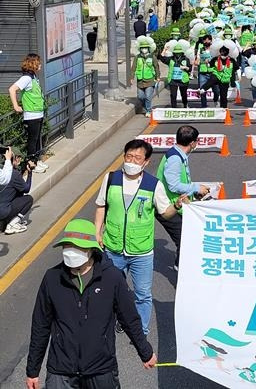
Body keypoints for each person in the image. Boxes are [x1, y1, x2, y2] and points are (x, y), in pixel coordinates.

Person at [25, 218, 157, 389]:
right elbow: (40, 326)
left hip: (101, 370)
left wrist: (145, 352)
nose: (70, 251)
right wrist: (32, 370)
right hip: (61, 370)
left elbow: (129, 319)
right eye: (67, 246)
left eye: (77, 247)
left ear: (91, 251)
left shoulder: (112, 278)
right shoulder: (52, 278)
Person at [94, 139, 187, 334]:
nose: (132, 161)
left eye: (137, 158)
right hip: (113, 247)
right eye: (129, 156)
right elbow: (101, 206)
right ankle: (111, 324)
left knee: (143, 294)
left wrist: (177, 205)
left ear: (146, 162)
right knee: (111, 291)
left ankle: (140, 331)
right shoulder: (110, 179)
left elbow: (165, 212)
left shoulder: (153, 185)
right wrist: (97, 232)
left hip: (142, 252)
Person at [156, 125, 209, 270]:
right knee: (185, 239)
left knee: (187, 237)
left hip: (176, 204)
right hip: (167, 207)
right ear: (192, 143)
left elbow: (180, 181)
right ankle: (182, 269)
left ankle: (182, 266)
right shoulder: (175, 158)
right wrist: (196, 188)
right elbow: (173, 185)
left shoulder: (178, 154)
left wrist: (193, 192)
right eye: (196, 141)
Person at [8, 53, 48, 174]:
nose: (40, 65)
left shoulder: (34, 77)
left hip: (38, 113)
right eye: (38, 63)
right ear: (33, 64)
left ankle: (36, 160)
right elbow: (12, 89)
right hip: (31, 115)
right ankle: (31, 164)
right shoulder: (26, 78)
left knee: (36, 139)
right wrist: (16, 105)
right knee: (32, 140)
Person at [0, 147, 33, 235]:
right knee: (28, 199)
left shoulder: (1, 171)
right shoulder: (14, 174)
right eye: (18, 157)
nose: (20, 160)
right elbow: (26, 189)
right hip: (3, 211)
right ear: (15, 159)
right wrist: (29, 173)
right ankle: (12, 224)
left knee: (18, 194)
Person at [130, 38, 160, 117]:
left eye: (146, 48)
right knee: (140, 97)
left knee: (148, 97)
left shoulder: (152, 57)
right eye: (143, 48)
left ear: (148, 49)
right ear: (140, 49)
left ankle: (148, 111)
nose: (144, 49)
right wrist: (132, 77)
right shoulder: (137, 57)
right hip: (140, 80)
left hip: (150, 80)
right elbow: (134, 67)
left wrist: (158, 77)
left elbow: (156, 67)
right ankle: (145, 106)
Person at [161, 42, 191, 108]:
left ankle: (185, 104)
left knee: (184, 94)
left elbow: (190, 68)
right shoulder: (170, 59)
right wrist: (164, 50)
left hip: (183, 80)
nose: (177, 54)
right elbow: (162, 58)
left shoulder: (186, 59)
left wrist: (186, 67)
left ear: (181, 52)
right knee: (173, 95)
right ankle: (173, 108)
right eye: (176, 53)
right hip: (173, 80)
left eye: (179, 52)